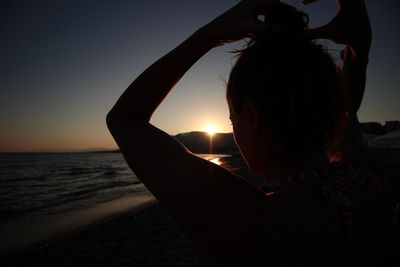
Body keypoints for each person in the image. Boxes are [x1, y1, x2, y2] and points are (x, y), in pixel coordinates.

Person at [107, 0, 397, 266]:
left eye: (231, 119)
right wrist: (358, 50)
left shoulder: (249, 219)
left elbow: (124, 119)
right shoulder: (368, 180)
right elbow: (342, 108)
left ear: (251, 117)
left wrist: (211, 34)